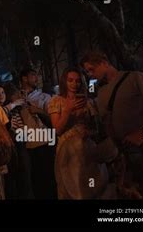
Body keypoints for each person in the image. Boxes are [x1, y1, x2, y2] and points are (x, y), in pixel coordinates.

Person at [81, 51, 143, 199]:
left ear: (104, 63)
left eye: (91, 69)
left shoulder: (135, 78)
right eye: (87, 71)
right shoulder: (101, 92)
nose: (89, 74)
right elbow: (108, 123)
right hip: (128, 155)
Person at [48, 67, 117, 199]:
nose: (74, 84)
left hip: (87, 147)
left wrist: (89, 132)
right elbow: (57, 130)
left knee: (90, 185)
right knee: (70, 187)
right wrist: (68, 110)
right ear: (64, 82)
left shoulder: (88, 102)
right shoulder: (56, 101)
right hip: (67, 149)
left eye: (78, 81)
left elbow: (97, 128)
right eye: (70, 80)